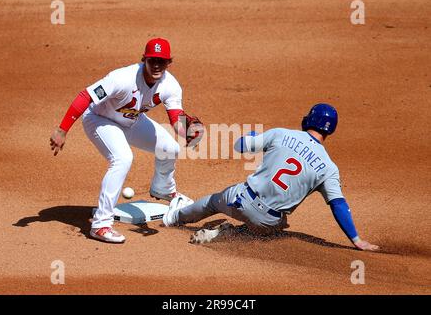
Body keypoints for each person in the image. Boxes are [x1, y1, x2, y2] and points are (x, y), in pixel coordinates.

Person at [163, 103, 379, 251]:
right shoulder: (329, 168)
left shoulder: (282, 134)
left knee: (213, 202)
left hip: (240, 200)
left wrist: (250, 137)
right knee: (277, 228)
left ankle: (173, 219)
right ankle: (227, 234)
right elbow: (338, 205)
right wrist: (357, 240)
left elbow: (240, 146)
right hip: (266, 221)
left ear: (309, 119)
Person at [50, 38, 203, 243]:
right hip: (99, 119)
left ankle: (163, 189)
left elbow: (175, 117)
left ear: (169, 63)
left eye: (162, 61)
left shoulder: (170, 84)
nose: (157, 65)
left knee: (170, 149)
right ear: (144, 60)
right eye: (152, 60)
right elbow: (85, 96)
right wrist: (62, 130)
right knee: (122, 159)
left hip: (132, 120)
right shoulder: (122, 78)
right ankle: (101, 225)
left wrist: (188, 132)